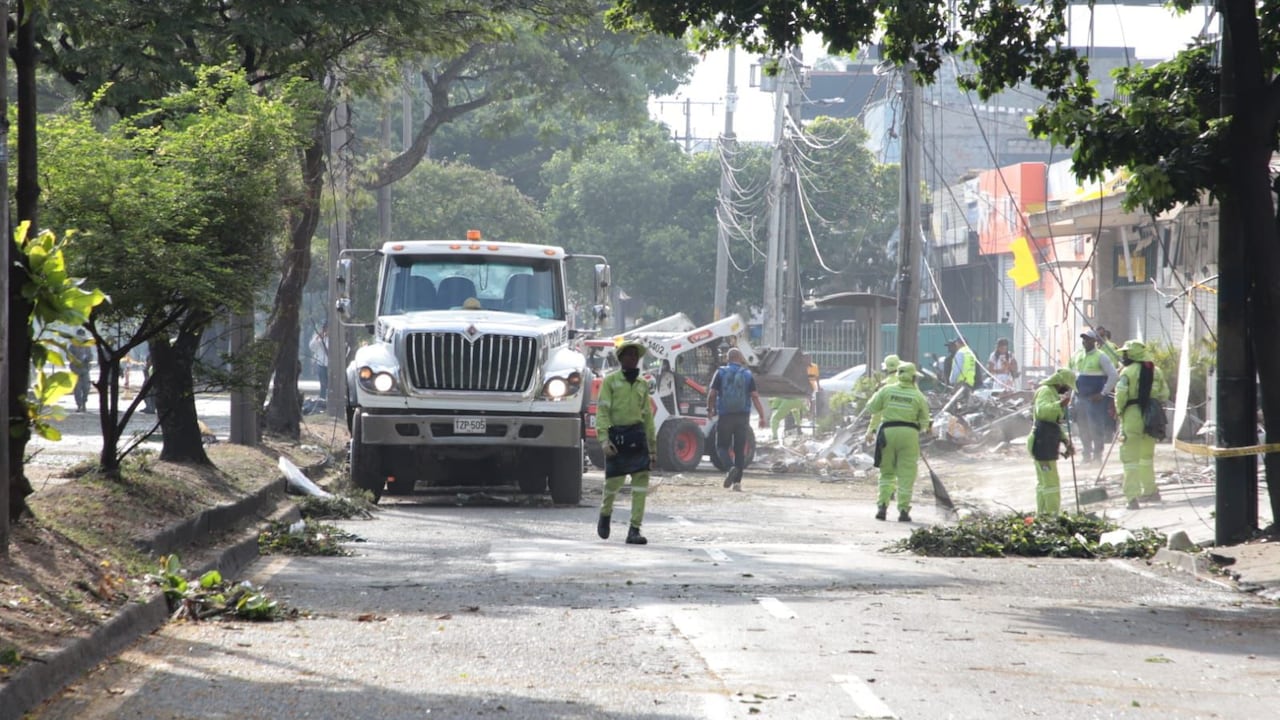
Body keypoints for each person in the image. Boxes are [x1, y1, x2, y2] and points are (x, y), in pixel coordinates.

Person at [595, 339, 658, 545]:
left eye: (635, 355)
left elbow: (648, 416)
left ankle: (634, 530)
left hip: (637, 437)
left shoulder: (643, 384)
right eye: (628, 354)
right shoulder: (610, 381)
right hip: (617, 438)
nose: (633, 358)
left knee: (640, 485)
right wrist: (604, 440)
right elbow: (602, 412)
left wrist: (652, 448)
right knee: (613, 483)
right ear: (620, 358)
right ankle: (605, 514)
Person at [864, 362, 931, 522]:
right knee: (906, 474)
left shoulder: (886, 390)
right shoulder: (918, 396)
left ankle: (882, 507)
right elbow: (925, 423)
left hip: (887, 433)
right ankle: (903, 511)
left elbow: (871, 408)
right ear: (914, 377)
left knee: (887, 473)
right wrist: (920, 428)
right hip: (909, 435)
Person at [1114, 339, 1170, 509]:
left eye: (1125, 353)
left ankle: (1132, 497)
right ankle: (1150, 491)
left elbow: (1121, 395)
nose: (1123, 356)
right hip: (1151, 418)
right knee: (1146, 457)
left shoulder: (1127, 372)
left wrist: (1119, 411)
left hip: (1132, 416)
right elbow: (1164, 394)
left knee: (1130, 458)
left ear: (1132, 354)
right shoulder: (1156, 371)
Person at [706, 347, 769, 491]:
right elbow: (754, 396)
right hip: (743, 417)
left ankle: (730, 468)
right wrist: (761, 416)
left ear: (727, 359)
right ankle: (737, 483)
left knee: (721, 446)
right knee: (739, 450)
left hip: (725, 416)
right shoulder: (747, 374)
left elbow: (712, 394)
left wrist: (710, 410)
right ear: (740, 359)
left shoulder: (720, 372)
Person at [1026, 368, 1076, 515]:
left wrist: (1066, 441)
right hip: (1042, 441)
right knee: (1051, 482)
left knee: (1045, 482)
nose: (1067, 389)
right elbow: (1042, 412)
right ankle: (1052, 514)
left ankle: (1042, 514)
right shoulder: (1046, 391)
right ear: (1060, 382)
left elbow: (1054, 422)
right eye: (1067, 385)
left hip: (1048, 439)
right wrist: (1060, 405)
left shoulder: (1053, 394)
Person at [1070, 330, 1118, 464]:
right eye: (1084, 339)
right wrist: (1071, 395)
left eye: (1088, 339)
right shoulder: (1078, 355)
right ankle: (1086, 456)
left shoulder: (1101, 356)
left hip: (1095, 400)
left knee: (1096, 427)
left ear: (1094, 341)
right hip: (1080, 398)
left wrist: (1103, 393)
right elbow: (1072, 375)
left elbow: (1113, 375)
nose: (1085, 342)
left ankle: (1097, 456)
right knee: (1083, 428)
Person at [69, 329, 95, 413]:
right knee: (77, 389)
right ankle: (79, 405)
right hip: (75, 371)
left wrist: (87, 359)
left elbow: (91, 356)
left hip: (85, 370)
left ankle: (84, 403)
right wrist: (75, 360)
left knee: (86, 388)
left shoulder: (87, 346)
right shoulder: (72, 346)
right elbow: (68, 356)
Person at [309, 323, 329, 401]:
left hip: (330, 364)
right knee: (323, 383)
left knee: (330, 384)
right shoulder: (319, 338)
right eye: (325, 329)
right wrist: (318, 337)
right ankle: (322, 398)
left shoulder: (332, 339)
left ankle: (329, 398)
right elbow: (312, 347)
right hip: (321, 363)